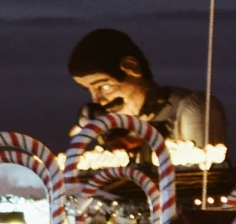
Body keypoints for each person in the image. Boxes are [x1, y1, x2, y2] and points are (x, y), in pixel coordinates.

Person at [67, 27, 227, 153]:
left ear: (132, 68)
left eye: (105, 86)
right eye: (89, 90)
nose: (97, 100)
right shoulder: (118, 128)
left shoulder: (191, 107)